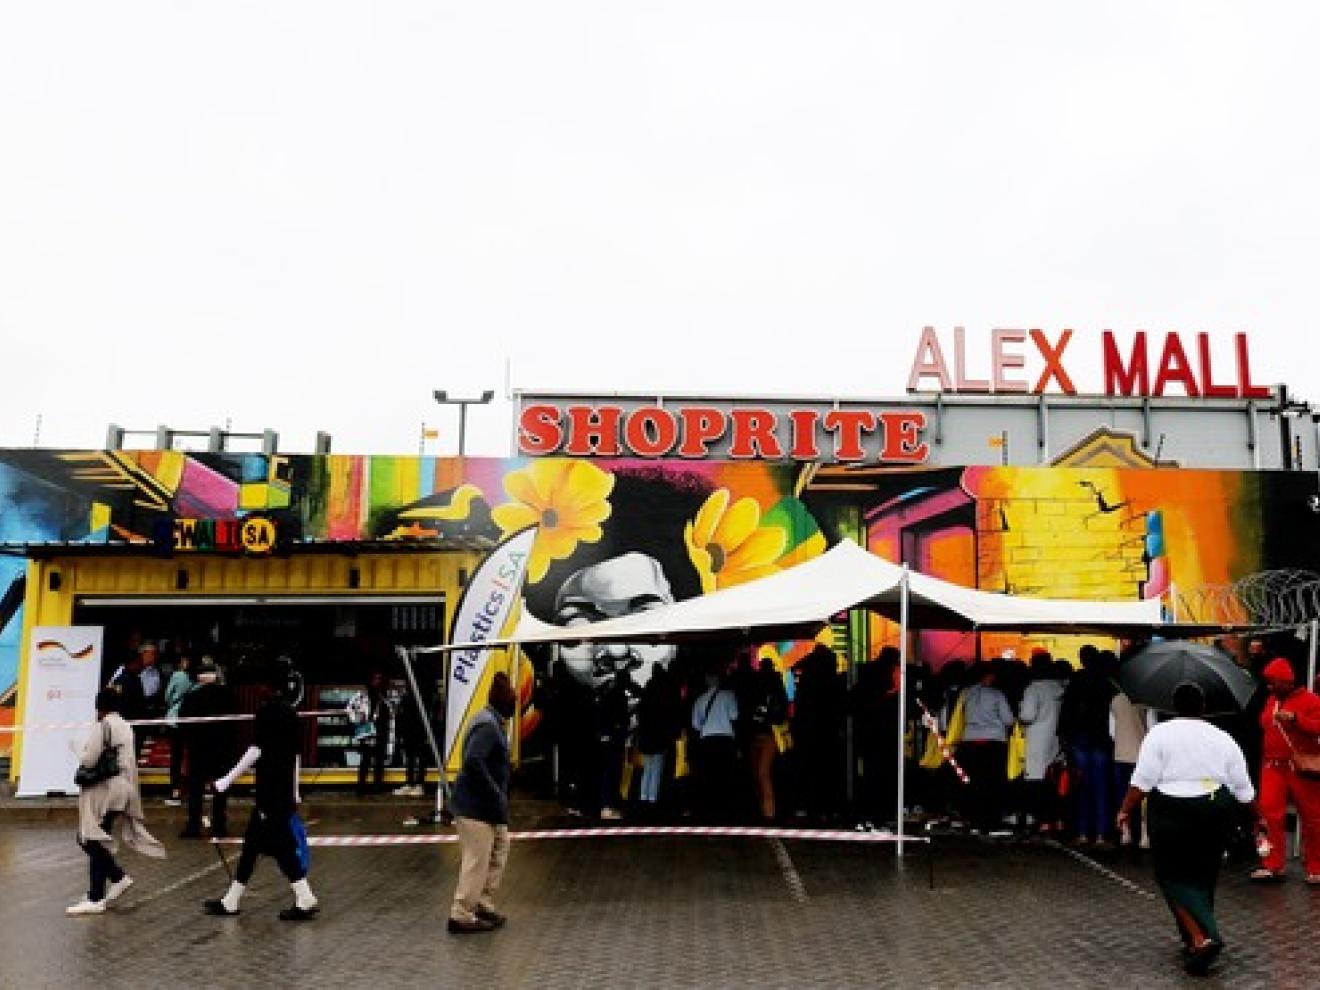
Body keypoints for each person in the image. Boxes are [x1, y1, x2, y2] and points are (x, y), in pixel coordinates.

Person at [1117, 682, 1259, 976]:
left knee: (1170, 875)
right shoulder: (1222, 738)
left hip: (1171, 809)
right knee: (1204, 873)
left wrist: (1125, 809)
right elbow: (1243, 787)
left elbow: (1143, 780)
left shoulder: (1159, 735)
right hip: (1214, 808)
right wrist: (1259, 818)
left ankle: (1202, 937)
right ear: (1203, 707)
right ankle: (1193, 937)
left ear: (1173, 707)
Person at [204, 659, 318, 921]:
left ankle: (304, 896)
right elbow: (296, 755)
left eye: (259, 685)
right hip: (282, 791)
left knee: (280, 847)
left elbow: (256, 750)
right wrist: (295, 790)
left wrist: (226, 780)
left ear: (268, 686)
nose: (257, 689)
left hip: (270, 791)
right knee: (253, 846)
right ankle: (231, 900)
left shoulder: (267, 713)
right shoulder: (291, 713)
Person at [67, 689, 166, 916]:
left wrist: (76, 748)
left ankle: (97, 897)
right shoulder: (125, 725)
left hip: (106, 790)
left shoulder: (103, 726)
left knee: (92, 839)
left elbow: (89, 760)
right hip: (123, 789)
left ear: (99, 707)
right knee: (92, 838)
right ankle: (116, 879)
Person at [448, 671, 517, 934]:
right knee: (477, 860)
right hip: (476, 808)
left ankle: (482, 902)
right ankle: (462, 912)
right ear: (505, 703)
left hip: (487, 809)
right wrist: (495, 791)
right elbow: (473, 761)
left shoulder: (488, 720)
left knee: (499, 849)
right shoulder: (488, 726)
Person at [1252, 657, 1320, 883]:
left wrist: (1296, 720)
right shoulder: (1271, 700)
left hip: (1300, 767)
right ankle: (1271, 864)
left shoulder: (1311, 701)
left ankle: (1316, 867)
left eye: (1273, 682)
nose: (1269, 686)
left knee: (1313, 817)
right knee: (1268, 816)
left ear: (1286, 682)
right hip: (1272, 766)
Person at [1059, 644, 1117, 847]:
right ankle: (1101, 834)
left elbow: (1066, 711)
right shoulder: (1107, 683)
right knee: (1102, 787)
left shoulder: (1076, 680)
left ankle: (1083, 833)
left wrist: (1065, 737)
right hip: (1101, 739)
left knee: (1081, 786)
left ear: (1082, 659)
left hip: (1080, 738)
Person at [956, 661, 1016, 836]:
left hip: (969, 740)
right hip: (993, 742)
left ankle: (974, 819)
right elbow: (1008, 720)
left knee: (974, 782)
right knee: (993, 782)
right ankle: (991, 820)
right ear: (988, 676)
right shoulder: (997, 695)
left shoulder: (966, 693)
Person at [178, 658, 236, 839]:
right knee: (220, 787)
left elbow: (183, 724)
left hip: (199, 749)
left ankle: (193, 826)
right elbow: (233, 724)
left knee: (196, 788)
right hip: (222, 749)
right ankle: (219, 825)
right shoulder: (228, 696)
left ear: (199, 678)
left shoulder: (191, 697)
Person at [1018, 653, 1067, 835]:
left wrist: (1019, 714)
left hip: (1037, 739)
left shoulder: (1033, 689)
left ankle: (1044, 820)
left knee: (1037, 781)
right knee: (1055, 780)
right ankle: (1059, 820)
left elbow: (1028, 715)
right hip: (1056, 739)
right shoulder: (1060, 688)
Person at [690, 663, 740, 822]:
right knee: (725, 775)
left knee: (708, 775)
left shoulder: (699, 699)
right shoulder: (729, 695)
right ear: (719, 679)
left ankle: (709, 810)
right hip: (725, 740)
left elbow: (695, 725)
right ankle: (724, 809)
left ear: (706, 681)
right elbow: (734, 716)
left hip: (707, 740)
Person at [747, 657, 790, 823]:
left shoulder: (767, 689)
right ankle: (766, 810)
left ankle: (768, 812)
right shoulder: (775, 688)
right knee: (761, 774)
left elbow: (777, 713)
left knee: (762, 773)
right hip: (768, 733)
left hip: (767, 734)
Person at [635, 664, 682, 815]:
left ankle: (643, 799)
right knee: (656, 769)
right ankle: (652, 800)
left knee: (647, 769)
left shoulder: (647, 691)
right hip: (660, 738)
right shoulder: (665, 691)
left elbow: (640, 715)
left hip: (646, 738)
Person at [1110, 682, 1151, 850]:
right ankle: (1144, 834)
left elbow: (1112, 731)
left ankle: (1125, 832)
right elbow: (1152, 727)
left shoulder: (1115, 701)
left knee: (1123, 794)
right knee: (1143, 794)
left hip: (1121, 753)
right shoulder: (1146, 701)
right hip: (1142, 754)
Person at [353, 671, 392, 796]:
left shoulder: (384, 696)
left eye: (380, 678)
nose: (378, 681)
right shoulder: (362, 695)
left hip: (381, 731)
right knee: (366, 759)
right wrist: (359, 719)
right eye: (375, 678)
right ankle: (361, 786)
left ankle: (377, 786)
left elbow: (390, 712)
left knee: (379, 760)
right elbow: (350, 709)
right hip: (367, 731)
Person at [163, 655, 194, 802]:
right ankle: (190, 789)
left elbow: (168, 696)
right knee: (190, 756)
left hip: (175, 719)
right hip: (192, 720)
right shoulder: (197, 678)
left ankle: (175, 791)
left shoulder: (178, 675)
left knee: (176, 757)